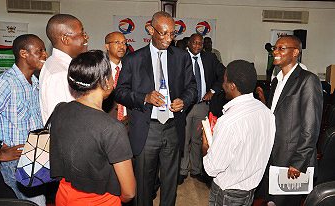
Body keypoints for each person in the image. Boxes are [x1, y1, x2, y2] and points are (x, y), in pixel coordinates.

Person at [114, 11, 197, 206]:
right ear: (151, 30)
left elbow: (192, 87)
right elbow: (120, 92)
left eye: (172, 34)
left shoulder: (181, 57)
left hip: (172, 127)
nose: (168, 39)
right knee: (144, 182)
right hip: (146, 128)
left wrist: (183, 100)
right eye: (163, 33)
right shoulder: (133, 59)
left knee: (170, 181)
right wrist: (144, 97)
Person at [50, 50, 136, 206]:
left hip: (64, 196)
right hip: (100, 201)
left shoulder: (60, 110)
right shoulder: (112, 128)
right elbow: (129, 192)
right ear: (106, 82)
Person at [202, 60, 275, 206]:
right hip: (251, 189)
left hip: (226, 193)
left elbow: (212, 168)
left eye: (224, 81)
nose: (223, 85)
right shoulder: (267, 113)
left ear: (232, 86)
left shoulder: (228, 122)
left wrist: (205, 145)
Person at [265, 36, 323, 206]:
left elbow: (311, 126)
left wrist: (299, 162)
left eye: (281, 48)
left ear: (295, 52)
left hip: (293, 161)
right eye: (275, 48)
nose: (275, 52)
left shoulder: (308, 80)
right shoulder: (276, 81)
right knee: (272, 202)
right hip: (274, 154)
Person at [0, 34, 48, 205]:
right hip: (16, 162)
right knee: (37, 203)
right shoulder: (6, 82)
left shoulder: (35, 83)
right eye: (39, 50)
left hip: (35, 158)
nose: (45, 55)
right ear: (23, 53)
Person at [179, 33, 225, 185]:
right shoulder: (180, 58)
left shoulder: (210, 58)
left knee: (199, 140)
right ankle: (182, 170)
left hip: (202, 106)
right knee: (184, 140)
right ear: (188, 43)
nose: (197, 46)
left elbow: (223, 75)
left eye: (200, 43)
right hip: (185, 107)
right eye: (195, 43)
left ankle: (197, 170)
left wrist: (212, 91)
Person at [39, 14, 89, 124]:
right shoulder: (60, 74)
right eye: (81, 34)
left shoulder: (57, 65)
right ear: (65, 39)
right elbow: (63, 122)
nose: (86, 37)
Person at [102, 32, 129, 126]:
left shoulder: (130, 69)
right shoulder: (100, 70)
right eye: (117, 42)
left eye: (124, 43)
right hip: (106, 122)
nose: (122, 46)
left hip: (128, 123)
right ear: (107, 46)